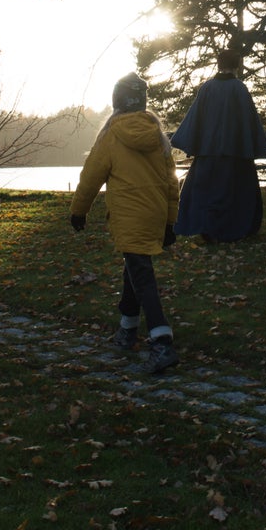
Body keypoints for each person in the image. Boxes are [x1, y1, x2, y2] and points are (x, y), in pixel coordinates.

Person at [70, 73, 181, 375]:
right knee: (133, 267)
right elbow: (172, 183)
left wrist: (79, 211)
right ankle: (127, 330)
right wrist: (170, 221)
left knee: (142, 275)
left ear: (116, 102)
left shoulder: (111, 135)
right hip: (155, 213)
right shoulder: (157, 135)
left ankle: (161, 342)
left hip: (129, 214)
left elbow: (91, 176)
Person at [170, 48, 266, 243]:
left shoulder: (208, 88)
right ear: (236, 64)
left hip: (209, 154)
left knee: (207, 192)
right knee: (233, 192)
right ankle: (232, 228)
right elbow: (248, 121)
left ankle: (208, 228)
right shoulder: (239, 89)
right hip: (235, 154)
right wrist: (250, 146)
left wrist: (196, 143)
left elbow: (196, 119)